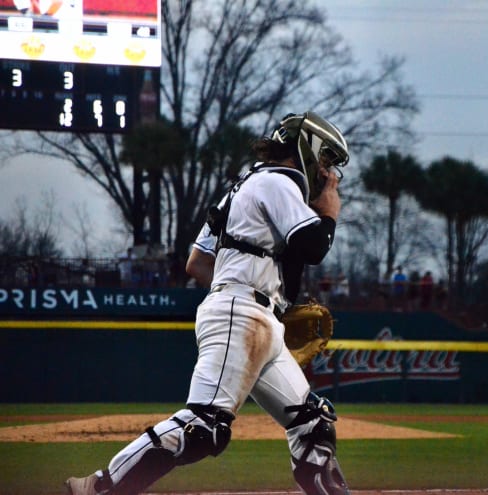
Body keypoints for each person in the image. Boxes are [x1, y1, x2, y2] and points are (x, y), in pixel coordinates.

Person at [64, 111, 351, 495]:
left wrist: (259, 295)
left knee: (313, 423)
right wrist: (329, 213)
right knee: (202, 428)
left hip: (254, 317)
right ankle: (100, 487)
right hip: (241, 314)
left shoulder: (244, 186)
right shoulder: (281, 180)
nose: (327, 171)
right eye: (326, 159)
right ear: (307, 147)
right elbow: (313, 246)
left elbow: (197, 263)